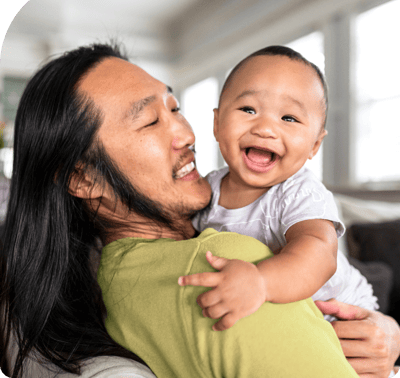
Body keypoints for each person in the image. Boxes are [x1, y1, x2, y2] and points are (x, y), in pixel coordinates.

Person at [0, 43, 398, 378]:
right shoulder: (225, 267)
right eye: (151, 120)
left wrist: (387, 332)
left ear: (315, 144)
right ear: (83, 179)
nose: (186, 134)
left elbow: (319, 254)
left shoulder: (108, 278)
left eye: (174, 108)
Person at [179, 46, 376, 328]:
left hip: (341, 314)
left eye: (289, 118)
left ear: (314, 145)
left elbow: (318, 254)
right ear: (217, 123)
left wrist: (261, 282)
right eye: (248, 109)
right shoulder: (207, 190)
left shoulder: (300, 192)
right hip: (274, 318)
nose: (265, 128)